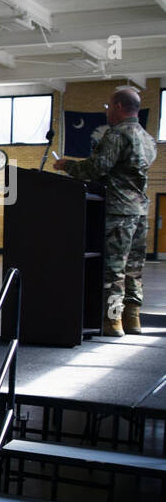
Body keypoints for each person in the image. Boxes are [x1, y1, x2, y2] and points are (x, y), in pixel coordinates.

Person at [55, 86, 158, 335]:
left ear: (120, 107)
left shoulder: (117, 135)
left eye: (109, 106)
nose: (107, 111)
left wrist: (66, 165)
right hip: (140, 212)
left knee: (113, 270)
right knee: (134, 268)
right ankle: (133, 319)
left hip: (118, 213)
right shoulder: (147, 138)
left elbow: (97, 168)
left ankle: (113, 322)